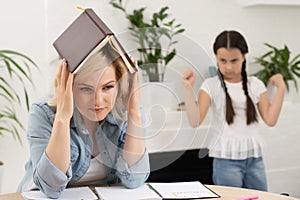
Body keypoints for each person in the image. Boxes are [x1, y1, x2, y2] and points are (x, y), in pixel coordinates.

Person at [17, 43, 150, 198]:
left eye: (107, 87)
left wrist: (134, 114)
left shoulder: (126, 111)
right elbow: (51, 188)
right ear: (68, 85)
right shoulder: (43, 113)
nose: (98, 101)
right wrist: (62, 118)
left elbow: (135, 179)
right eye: (86, 89)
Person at [182, 30, 285, 191]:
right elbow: (195, 122)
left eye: (234, 60)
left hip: (254, 159)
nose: (228, 66)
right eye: (223, 61)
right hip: (225, 160)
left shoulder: (256, 84)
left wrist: (281, 88)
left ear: (244, 57)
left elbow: (270, 120)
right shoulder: (211, 85)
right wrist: (187, 89)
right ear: (216, 58)